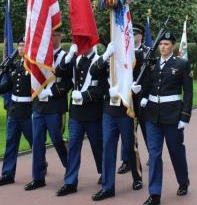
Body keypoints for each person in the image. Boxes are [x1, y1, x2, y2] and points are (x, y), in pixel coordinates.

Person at [136, 31, 193, 205]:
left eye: (167, 44)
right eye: (161, 44)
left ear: (173, 47)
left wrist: (185, 116)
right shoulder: (151, 65)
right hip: (153, 115)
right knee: (154, 154)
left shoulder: (181, 64)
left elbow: (189, 93)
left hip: (173, 115)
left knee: (176, 151)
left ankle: (183, 180)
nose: (163, 47)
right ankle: (154, 194)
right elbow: (147, 86)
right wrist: (142, 95)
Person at [91, 43, 143, 201]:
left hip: (126, 108)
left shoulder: (133, 58)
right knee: (107, 147)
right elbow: (93, 72)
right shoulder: (107, 59)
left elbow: (143, 74)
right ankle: (108, 187)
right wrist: (106, 54)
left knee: (129, 146)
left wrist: (134, 89)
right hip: (109, 110)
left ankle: (137, 176)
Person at [56, 44, 105, 197]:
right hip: (76, 113)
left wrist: (84, 96)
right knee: (73, 147)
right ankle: (70, 182)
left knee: (98, 146)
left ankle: (105, 174)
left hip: (93, 113)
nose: (83, 45)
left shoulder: (100, 61)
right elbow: (59, 72)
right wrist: (68, 57)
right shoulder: (75, 60)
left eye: (86, 41)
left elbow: (102, 88)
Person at [24, 30, 71, 190]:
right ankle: (38, 177)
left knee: (57, 140)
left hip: (55, 105)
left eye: (56, 34)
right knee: (37, 142)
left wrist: (52, 92)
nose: (52, 38)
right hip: (39, 105)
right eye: (49, 35)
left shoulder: (66, 57)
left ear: (61, 36)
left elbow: (69, 81)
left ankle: (70, 172)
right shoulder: (40, 56)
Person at [0, 36, 33, 186]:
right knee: (11, 143)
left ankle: (40, 167)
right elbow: (9, 87)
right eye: (19, 45)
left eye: (24, 45)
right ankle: (7, 174)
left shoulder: (33, 66)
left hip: (27, 111)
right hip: (13, 110)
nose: (21, 48)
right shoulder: (15, 65)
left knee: (34, 142)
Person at [118, 24, 150, 175]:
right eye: (131, 33)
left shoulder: (147, 52)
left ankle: (153, 154)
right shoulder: (125, 52)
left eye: (136, 33)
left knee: (147, 129)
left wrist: (145, 94)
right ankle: (127, 160)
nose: (133, 36)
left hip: (142, 97)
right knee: (127, 131)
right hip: (128, 97)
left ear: (141, 36)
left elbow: (151, 77)